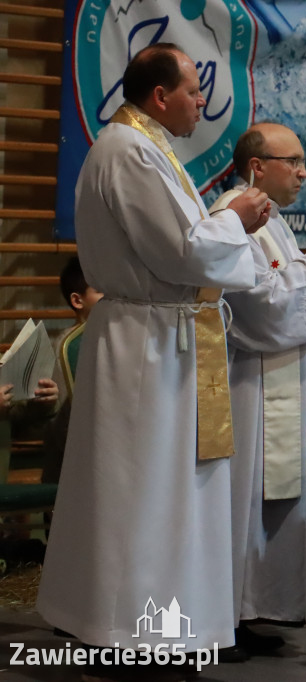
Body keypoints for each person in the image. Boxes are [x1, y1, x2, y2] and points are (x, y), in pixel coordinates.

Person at [36, 42, 271, 666]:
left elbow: (183, 248)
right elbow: (183, 252)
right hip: (148, 345)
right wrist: (234, 214)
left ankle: (165, 633)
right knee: (141, 495)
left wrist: (225, 223)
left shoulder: (146, 145)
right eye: (194, 91)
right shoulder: (130, 151)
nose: (203, 101)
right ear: (160, 96)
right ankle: (126, 636)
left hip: (168, 335)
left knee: (168, 496)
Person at [212, 122, 306, 653]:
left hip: (277, 385)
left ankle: (250, 611)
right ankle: (226, 617)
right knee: (241, 502)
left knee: (266, 506)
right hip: (247, 387)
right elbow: (261, 309)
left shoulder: (270, 222)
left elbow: (293, 300)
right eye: (292, 161)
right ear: (257, 167)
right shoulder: (234, 218)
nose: (303, 171)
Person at [41, 257, 102, 484]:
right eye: (101, 291)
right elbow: (63, 424)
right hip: (72, 469)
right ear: (78, 300)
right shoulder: (67, 346)